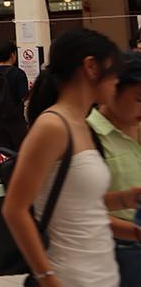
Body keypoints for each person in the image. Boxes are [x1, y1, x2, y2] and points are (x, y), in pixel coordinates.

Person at [2, 29, 140, 287]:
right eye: (113, 73)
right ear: (91, 67)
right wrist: (47, 277)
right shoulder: (52, 126)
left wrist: (125, 201)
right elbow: (15, 209)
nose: (116, 82)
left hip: (100, 274)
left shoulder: (81, 125)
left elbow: (80, 206)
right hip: (68, 275)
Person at [87, 51, 141, 286]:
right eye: (139, 99)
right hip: (118, 250)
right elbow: (83, 212)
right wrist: (135, 233)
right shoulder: (88, 137)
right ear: (111, 90)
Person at [0, 41, 30, 152]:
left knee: (0, 151)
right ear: (12, 55)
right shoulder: (18, 73)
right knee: (19, 151)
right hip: (14, 119)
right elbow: (23, 96)